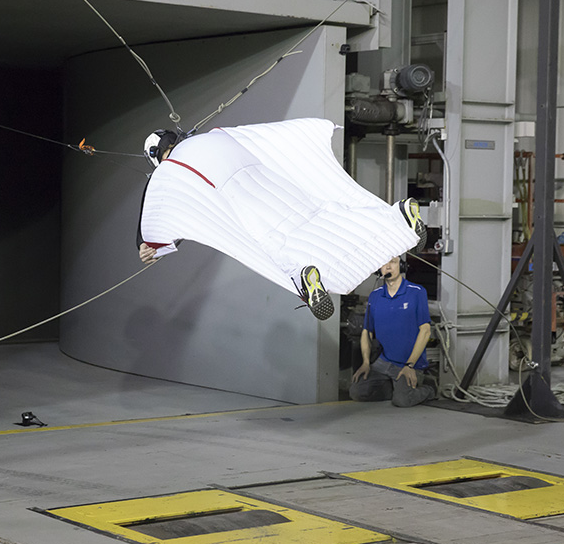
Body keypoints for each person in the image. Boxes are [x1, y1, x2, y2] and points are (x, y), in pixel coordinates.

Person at [136, 118, 427, 321]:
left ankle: (304, 280)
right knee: (326, 214)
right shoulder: (215, 137)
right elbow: (268, 137)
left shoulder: (170, 172)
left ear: (156, 157)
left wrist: (151, 244)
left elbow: (164, 213)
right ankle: (396, 217)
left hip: (245, 205)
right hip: (274, 184)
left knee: (272, 247)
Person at [351, 255, 435, 407]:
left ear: (401, 266)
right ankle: (396, 387)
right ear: (379, 269)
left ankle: (429, 389)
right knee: (357, 392)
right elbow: (366, 331)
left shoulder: (416, 292)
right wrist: (365, 362)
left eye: (393, 262)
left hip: (410, 364)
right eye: (384, 264)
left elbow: (425, 331)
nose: (388, 267)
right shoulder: (375, 296)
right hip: (384, 362)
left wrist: (410, 365)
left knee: (402, 401)